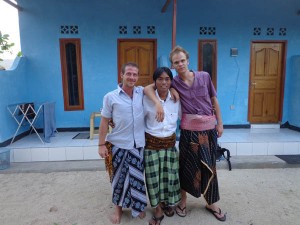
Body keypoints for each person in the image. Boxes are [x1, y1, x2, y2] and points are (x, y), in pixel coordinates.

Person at [144, 46, 226, 222]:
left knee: (210, 165)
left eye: (182, 60)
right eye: (176, 62)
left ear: (188, 61)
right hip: (188, 131)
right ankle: (182, 202)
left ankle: (211, 202)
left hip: (209, 129)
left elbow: (214, 100)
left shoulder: (204, 76)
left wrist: (220, 123)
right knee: (186, 166)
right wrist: (159, 103)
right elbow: (149, 87)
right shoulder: (173, 82)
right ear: (172, 65)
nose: (180, 64)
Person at [98, 62, 147, 224]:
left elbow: (160, 84)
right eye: (129, 74)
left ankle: (138, 207)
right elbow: (104, 122)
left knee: (138, 179)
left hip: (138, 145)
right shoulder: (110, 97)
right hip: (118, 145)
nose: (132, 77)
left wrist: (173, 90)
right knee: (118, 180)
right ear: (122, 75)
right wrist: (101, 144)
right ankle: (118, 210)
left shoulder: (142, 92)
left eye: (135, 74)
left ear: (138, 77)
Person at [143, 67, 181, 225]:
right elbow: (145, 88)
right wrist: (157, 103)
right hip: (151, 145)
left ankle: (166, 203)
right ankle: (157, 209)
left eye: (167, 79)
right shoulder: (145, 98)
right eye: (160, 79)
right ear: (154, 81)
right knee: (153, 180)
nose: (164, 82)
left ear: (171, 81)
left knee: (169, 177)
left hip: (170, 145)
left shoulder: (176, 99)